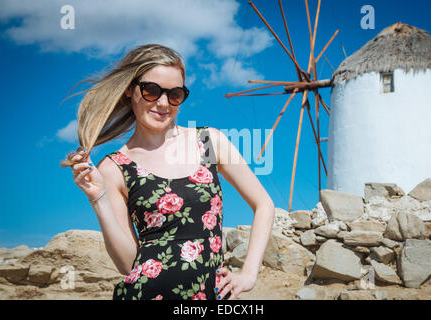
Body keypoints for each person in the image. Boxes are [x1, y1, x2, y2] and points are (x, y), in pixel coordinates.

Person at [60, 44, 275, 300]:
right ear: (130, 89)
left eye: (174, 94)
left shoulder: (208, 142)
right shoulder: (114, 167)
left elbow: (264, 204)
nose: (163, 103)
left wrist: (249, 274)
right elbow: (129, 264)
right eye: (151, 91)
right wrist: (99, 199)